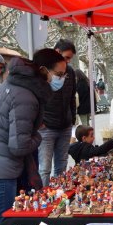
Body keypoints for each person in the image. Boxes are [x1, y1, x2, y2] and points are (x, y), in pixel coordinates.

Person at [0, 48, 66, 225]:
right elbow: (19, 146)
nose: (61, 79)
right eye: (59, 74)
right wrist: (38, 135)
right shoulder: (26, 96)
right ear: (45, 71)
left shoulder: (15, 83)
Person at [38, 39, 77, 187]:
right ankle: (43, 198)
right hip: (46, 127)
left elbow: (72, 97)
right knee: (44, 169)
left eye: (69, 59)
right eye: (66, 57)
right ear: (57, 52)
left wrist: (72, 118)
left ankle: (59, 196)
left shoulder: (71, 72)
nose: (67, 62)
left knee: (61, 165)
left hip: (65, 125)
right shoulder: (43, 71)